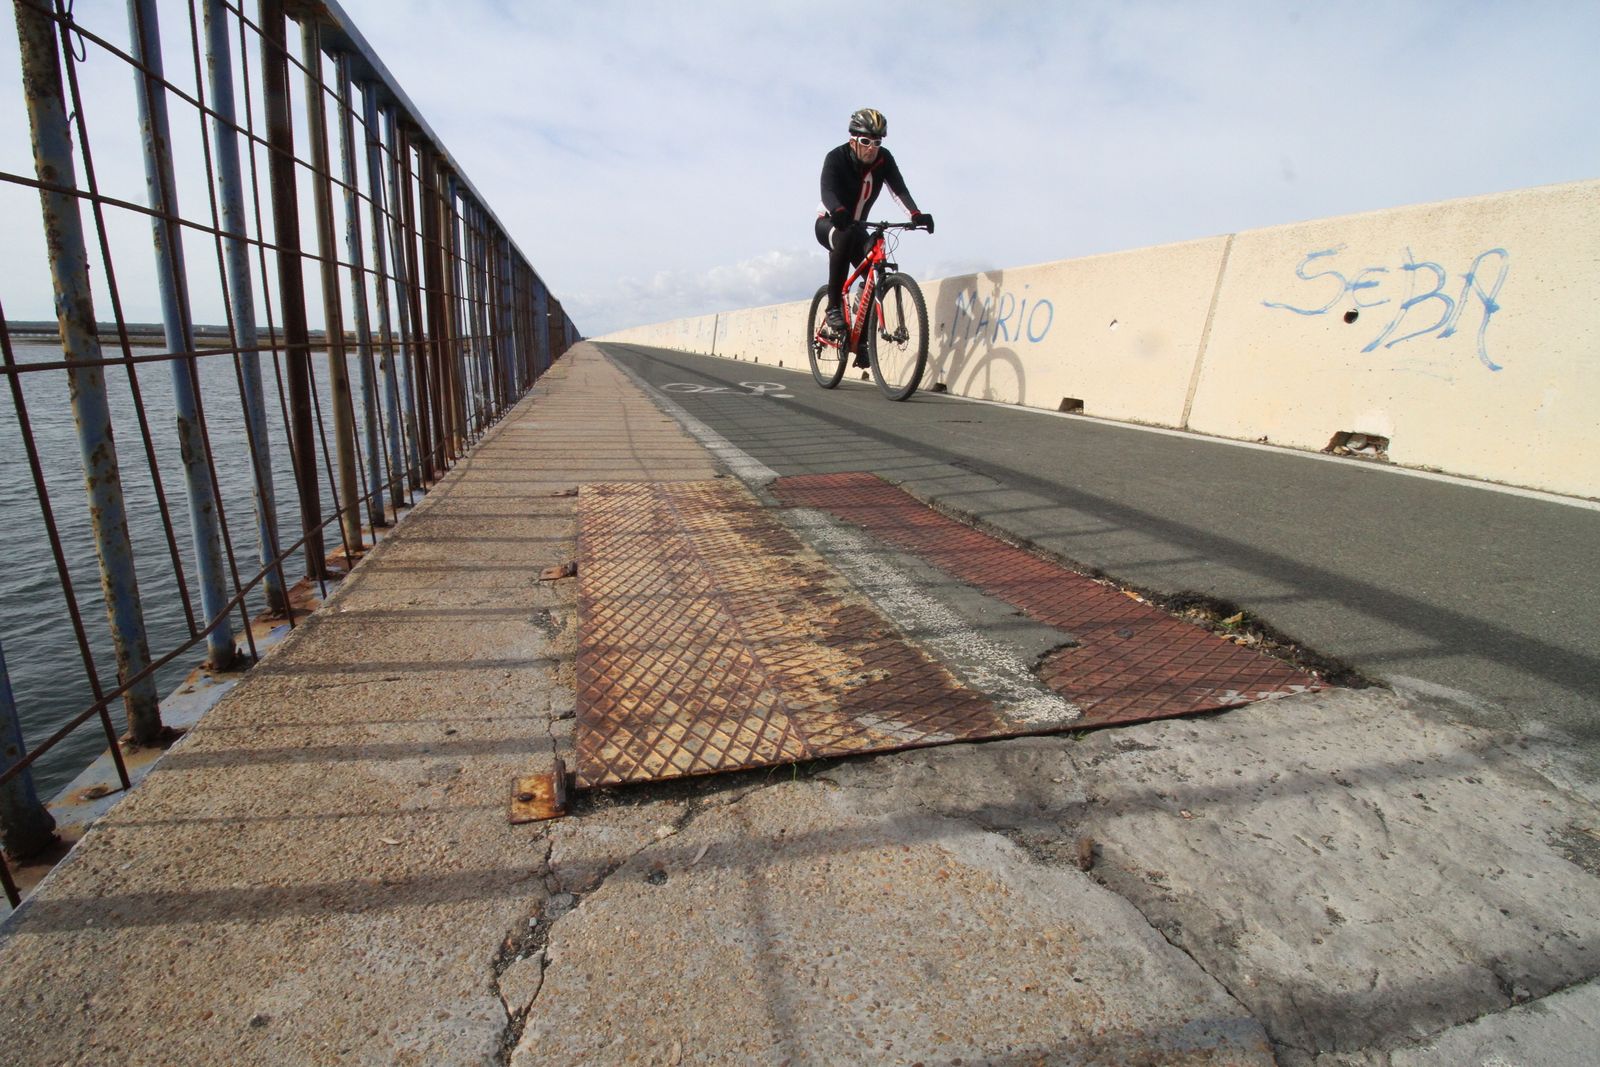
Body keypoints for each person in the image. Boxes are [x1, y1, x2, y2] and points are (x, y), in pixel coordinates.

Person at [816, 107, 933, 365]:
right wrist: (837, 211)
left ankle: (862, 340)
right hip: (830, 223)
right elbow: (827, 190)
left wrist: (916, 214)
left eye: (877, 142)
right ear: (853, 141)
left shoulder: (884, 160)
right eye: (866, 141)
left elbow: (898, 189)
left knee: (875, 263)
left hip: (857, 226)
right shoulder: (836, 158)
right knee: (845, 237)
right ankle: (833, 306)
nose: (872, 148)